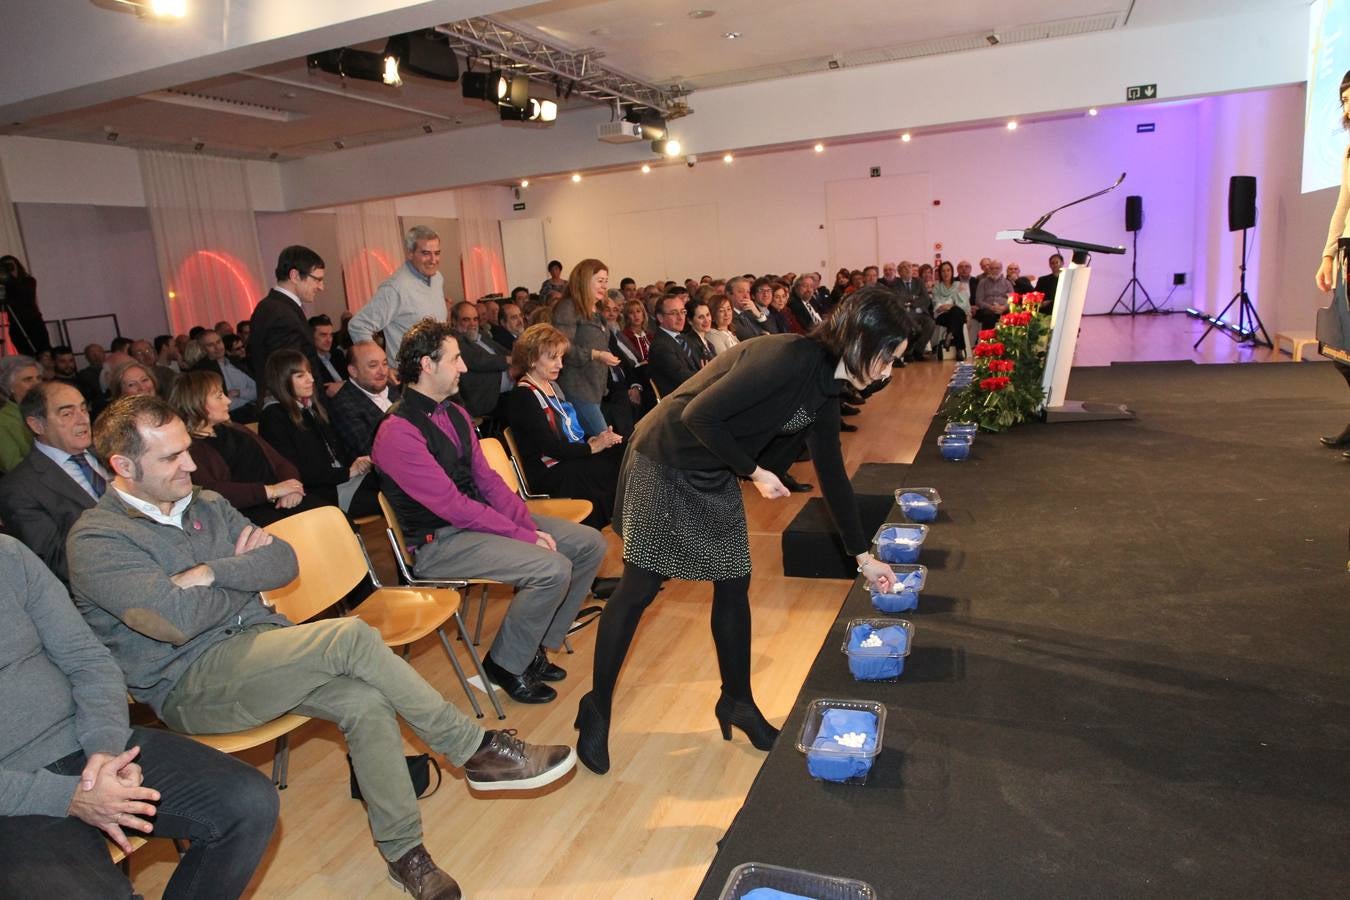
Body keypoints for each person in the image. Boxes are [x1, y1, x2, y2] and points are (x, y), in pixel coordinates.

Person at [67, 395, 577, 899]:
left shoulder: (206, 503)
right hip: (192, 683)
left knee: (367, 702)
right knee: (351, 635)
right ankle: (472, 749)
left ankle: (404, 854)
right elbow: (173, 621)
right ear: (123, 465)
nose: (191, 463)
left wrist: (209, 574)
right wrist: (243, 578)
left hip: (265, 645)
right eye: (172, 456)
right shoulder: (98, 541)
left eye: (187, 449)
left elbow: (283, 562)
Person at [575, 287, 913, 774]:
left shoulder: (827, 388)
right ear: (861, 340)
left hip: (712, 468)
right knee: (640, 587)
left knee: (733, 583)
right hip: (666, 455)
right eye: (887, 358)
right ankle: (597, 705)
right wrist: (754, 472)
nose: (886, 371)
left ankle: (737, 701)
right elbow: (698, 415)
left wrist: (864, 558)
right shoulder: (788, 357)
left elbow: (833, 475)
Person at [0, 535, 279, 900]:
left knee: (248, 802)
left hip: (85, 743)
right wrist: (68, 797)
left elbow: (88, 659)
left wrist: (105, 750)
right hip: (13, 799)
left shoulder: (8, 555)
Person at [372, 318, 608, 705]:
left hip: (475, 525)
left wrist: (523, 520)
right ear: (427, 366)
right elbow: (451, 506)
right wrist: (524, 535)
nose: (464, 367)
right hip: (439, 542)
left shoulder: (453, 413)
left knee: (589, 544)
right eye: (455, 359)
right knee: (552, 567)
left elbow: (488, 483)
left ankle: (534, 645)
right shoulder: (397, 431)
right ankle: (504, 664)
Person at [506, 324, 623, 530]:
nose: (560, 365)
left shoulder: (550, 386)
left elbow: (570, 430)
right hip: (549, 471)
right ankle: (605, 531)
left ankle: (621, 526)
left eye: (561, 358)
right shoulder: (523, 395)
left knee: (621, 452)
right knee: (604, 469)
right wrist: (591, 448)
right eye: (553, 358)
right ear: (532, 358)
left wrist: (595, 439)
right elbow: (549, 447)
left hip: (564, 460)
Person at [169, 369, 316, 526]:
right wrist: (271, 491)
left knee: (332, 516)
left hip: (282, 497)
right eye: (219, 396)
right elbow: (213, 492)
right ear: (196, 404)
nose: (228, 401)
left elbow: (280, 462)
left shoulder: (236, 428)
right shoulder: (190, 448)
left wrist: (292, 487)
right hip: (245, 514)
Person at [0, 381, 105, 584]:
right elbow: (57, 562)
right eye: (67, 414)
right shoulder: (19, 488)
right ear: (37, 425)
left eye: (84, 409)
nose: (83, 420)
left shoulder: (109, 452)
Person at [259, 349, 378, 519]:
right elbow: (298, 471)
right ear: (282, 380)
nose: (311, 379)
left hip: (339, 481)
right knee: (392, 497)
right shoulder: (273, 417)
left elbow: (336, 454)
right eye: (300, 376)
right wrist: (348, 472)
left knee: (394, 481)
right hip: (324, 492)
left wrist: (356, 464)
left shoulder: (309, 408)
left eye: (309, 373)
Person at [1314, 69, 1350, 457]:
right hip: (1347, 253)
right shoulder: (1348, 149)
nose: (1347, 105)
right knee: (1343, 349)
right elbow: (1343, 204)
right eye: (1343, 100)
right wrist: (1327, 255)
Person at [349, 225, 447, 363]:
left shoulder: (437, 278)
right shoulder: (395, 287)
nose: (433, 260)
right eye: (426, 253)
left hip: (438, 370)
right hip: (410, 376)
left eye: (437, 253)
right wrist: (379, 363)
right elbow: (358, 325)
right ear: (410, 253)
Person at [550, 258, 620, 437]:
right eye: (599, 281)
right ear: (584, 280)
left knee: (600, 444)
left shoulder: (595, 310)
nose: (604, 286)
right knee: (605, 442)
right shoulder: (568, 307)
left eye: (606, 281)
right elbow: (561, 348)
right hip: (577, 389)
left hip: (595, 388)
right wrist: (596, 354)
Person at [247, 245, 327, 385]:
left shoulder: (273, 306)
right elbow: (290, 377)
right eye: (317, 279)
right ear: (295, 276)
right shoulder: (281, 315)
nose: (321, 287)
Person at [328, 340, 400, 461]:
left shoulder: (392, 388)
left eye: (385, 363)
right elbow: (369, 453)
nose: (383, 372)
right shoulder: (343, 406)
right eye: (373, 365)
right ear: (353, 371)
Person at [449, 300, 513, 420]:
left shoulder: (481, 335)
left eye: (475, 319)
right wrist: (509, 360)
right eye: (466, 319)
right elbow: (479, 361)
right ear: (454, 321)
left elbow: (503, 351)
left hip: (508, 390)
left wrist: (517, 357)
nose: (472, 324)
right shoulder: (454, 341)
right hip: (487, 399)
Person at [648, 293, 699, 397]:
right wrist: (707, 376)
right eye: (674, 313)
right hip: (681, 400)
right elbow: (683, 377)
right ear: (660, 317)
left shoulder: (685, 339)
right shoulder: (660, 346)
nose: (680, 317)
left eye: (683, 312)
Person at [0, 255, 49, 357]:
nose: (8, 269)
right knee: (27, 356)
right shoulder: (3, 286)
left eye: (10, 266)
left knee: (44, 353)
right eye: (5, 267)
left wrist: (10, 277)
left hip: (34, 322)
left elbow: (24, 295)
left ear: (17, 266)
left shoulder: (29, 281)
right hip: (16, 324)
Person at [0, 354, 39, 472]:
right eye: (28, 379)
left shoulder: (43, 409)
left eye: (39, 378)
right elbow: (13, 467)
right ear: (10, 386)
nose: (36, 384)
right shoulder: (3, 421)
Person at [931, 260, 971, 361]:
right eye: (943, 271)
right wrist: (947, 306)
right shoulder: (937, 287)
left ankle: (950, 334)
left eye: (948, 270)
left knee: (956, 311)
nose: (946, 273)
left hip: (958, 312)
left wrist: (951, 306)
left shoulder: (959, 285)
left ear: (952, 272)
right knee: (957, 316)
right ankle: (959, 350)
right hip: (943, 315)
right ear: (940, 273)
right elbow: (937, 304)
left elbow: (965, 303)